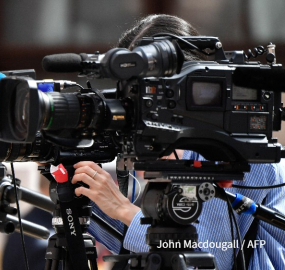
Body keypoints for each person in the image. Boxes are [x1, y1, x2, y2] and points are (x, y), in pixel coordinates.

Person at [72, 14, 285, 270]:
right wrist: (83, 191)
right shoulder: (178, 148)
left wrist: (123, 209)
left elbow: (210, 260)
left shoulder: (233, 149)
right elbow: (141, 245)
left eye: (155, 92)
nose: (144, 106)